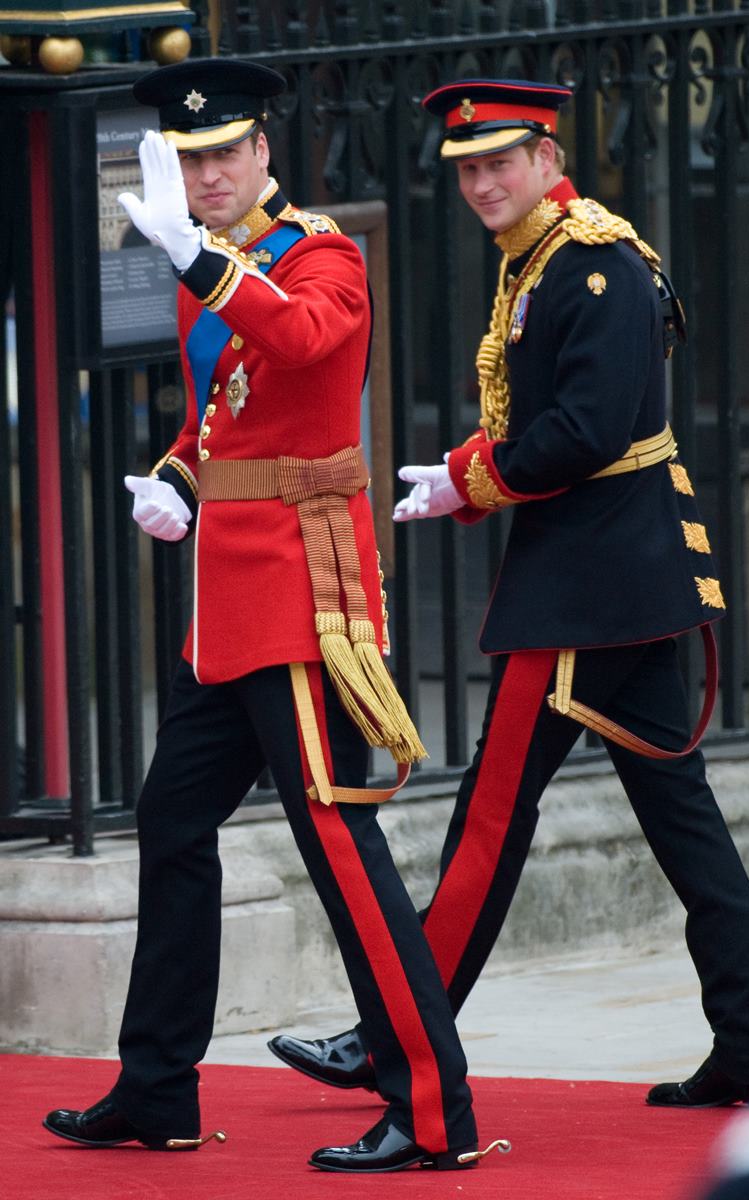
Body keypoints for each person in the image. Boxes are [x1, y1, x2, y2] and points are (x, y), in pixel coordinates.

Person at [268, 78, 749, 1112]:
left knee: (487, 818)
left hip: (585, 588)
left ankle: (392, 1039)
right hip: (616, 578)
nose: (479, 182)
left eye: (497, 162)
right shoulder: (544, 262)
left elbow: (587, 432)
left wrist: (468, 475)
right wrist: (470, 473)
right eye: (464, 168)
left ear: (548, 160)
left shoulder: (587, 267)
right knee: (680, 822)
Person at [41, 58, 506, 1175]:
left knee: (340, 846)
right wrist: (174, 483)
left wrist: (196, 257)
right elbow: (222, 420)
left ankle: (431, 1112)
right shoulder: (215, 266)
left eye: (221, 154)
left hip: (303, 602)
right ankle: (157, 1088)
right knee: (169, 821)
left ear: (263, 154)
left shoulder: (323, 253)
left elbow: (303, 344)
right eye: (189, 160)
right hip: (226, 611)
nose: (204, 175)